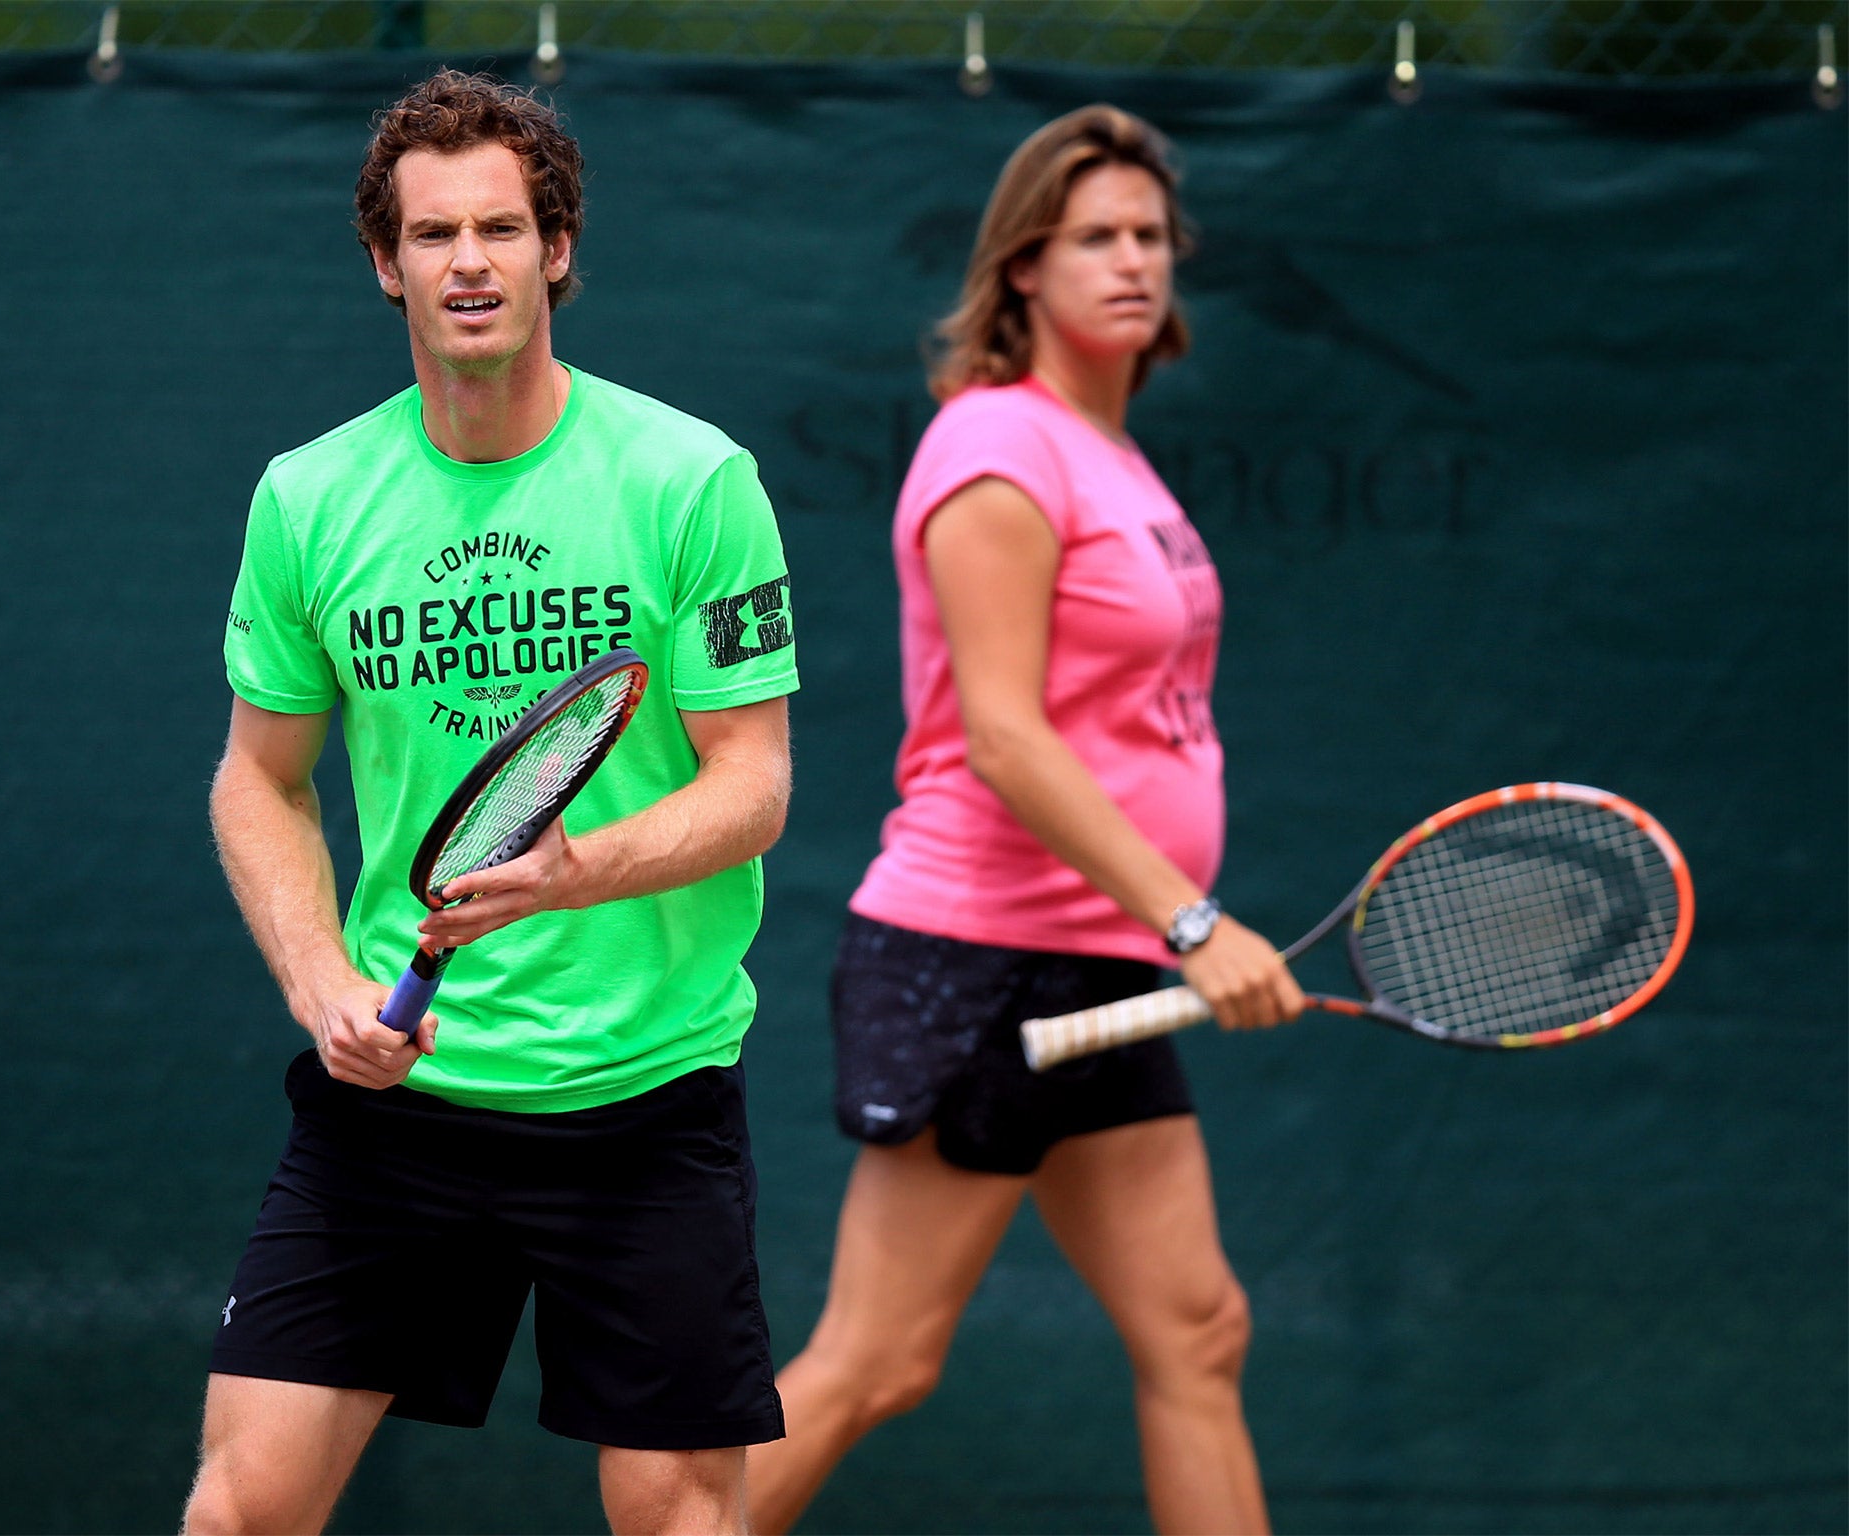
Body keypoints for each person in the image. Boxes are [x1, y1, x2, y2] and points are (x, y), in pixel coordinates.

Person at [183, 69, 797, 1536]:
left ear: (557, 251)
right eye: (436, 233)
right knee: (238, 1514)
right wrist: (324, 983)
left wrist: (578, 870)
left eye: (505, 230)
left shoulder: (692, 481)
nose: (471, 261)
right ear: (385, 264)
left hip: (644, 1100)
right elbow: (258, 779)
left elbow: (756, 785)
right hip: (396, 1115)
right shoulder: (309, 500)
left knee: (680, 1523)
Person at [745, 105, 1302, 1536]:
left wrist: (1161, 928)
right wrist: (1193, 920)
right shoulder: (997, 447)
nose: (1136, 263)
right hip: (978, 958)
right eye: (1096, 238)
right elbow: (1000, 736)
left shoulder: (1116, 461)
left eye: (1152, 238)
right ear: (1020, 272)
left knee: (1199, 1331)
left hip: (1104, 967)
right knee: (877, 1365)